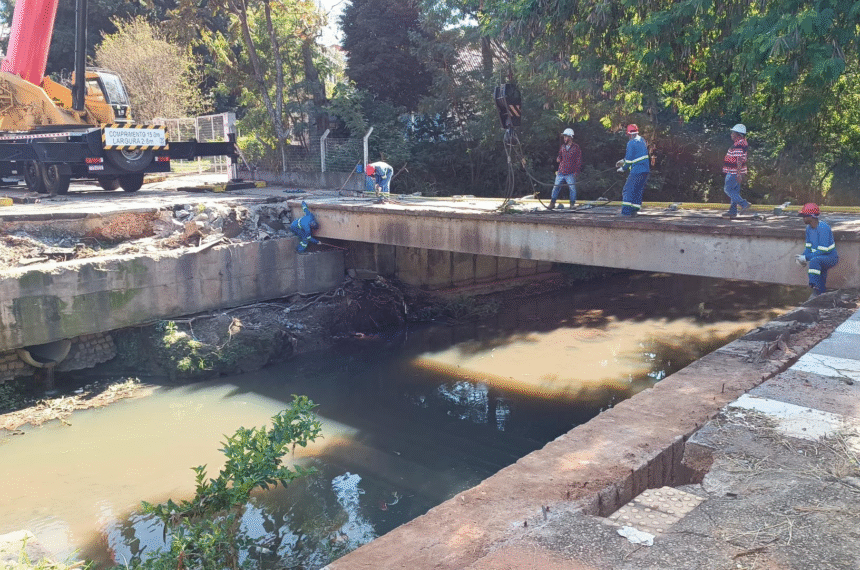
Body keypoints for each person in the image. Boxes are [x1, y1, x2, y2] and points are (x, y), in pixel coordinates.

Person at [794, 203, 838, 299]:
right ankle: (820, 294)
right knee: (821, 276)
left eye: (805, 216)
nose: (803, 218)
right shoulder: (808, 229)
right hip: (818, 257)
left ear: (812, 216)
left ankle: (815, 291)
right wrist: (802, 257)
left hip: (830, 257)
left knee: (815, 261)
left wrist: (806, 258)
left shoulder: (823, 228)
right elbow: (808, 248)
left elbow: (823, 250)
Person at [615, 124, 649, 216]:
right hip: (645, 170)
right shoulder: (642, 140)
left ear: (629, 134)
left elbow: (630, 160)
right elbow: (637, 155)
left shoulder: (631, 143)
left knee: (628, 190)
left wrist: (623, 168)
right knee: (637, 190)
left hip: (637, 170)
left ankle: (625, 212)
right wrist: (623, 161)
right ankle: (634, 211)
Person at [721, 124, 750, 218]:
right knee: (734, 192)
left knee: (728, 189)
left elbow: (739, 159)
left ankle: (744, 204)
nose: (731, 134)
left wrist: (738, 174)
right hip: (736, 172)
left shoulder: (739, 144)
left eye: (733, 133)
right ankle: (733, 211)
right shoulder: (741, 143)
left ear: (738, 134)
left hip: (734, 172)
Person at [549, 128, 581, 210]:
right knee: (556, 188)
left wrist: (576, 172)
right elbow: (560, 156)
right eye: (564, 137)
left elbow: (578, 160)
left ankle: (572, 204)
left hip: (571, 172)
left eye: (566, 137)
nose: (564, 138)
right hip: (561, 172)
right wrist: (558, 158)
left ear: (570, 137)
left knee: (572, 189)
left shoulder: (576, 148)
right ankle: (552, 203)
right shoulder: (562, 147)